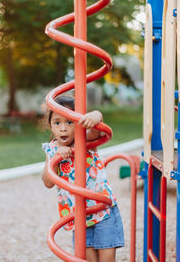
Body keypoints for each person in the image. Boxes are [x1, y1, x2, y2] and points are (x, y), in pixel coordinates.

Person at [41, 96, 124, 262]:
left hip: (103, 211)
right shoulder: (52, 150)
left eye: (70, 122)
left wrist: (96, 116)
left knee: (107, 259)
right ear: (50, 125)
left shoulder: (85, 140)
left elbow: (96, 131)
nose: (63, 128)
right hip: (78, 215)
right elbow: (48, 182)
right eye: (57, 123)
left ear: (79, 123)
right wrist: (55, 159)